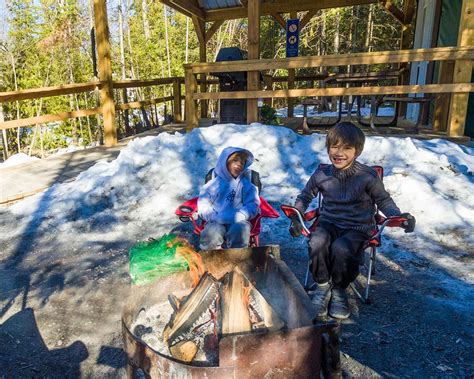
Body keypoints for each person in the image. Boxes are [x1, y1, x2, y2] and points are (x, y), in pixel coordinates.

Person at [290, 122, 415, 320]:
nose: (339, 153)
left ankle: (339, 289)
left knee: (342, 248)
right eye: (335, 146)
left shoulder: (367, 175)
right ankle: (322, 286)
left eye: (347, 147)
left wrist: (398, 216)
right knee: (317, 241)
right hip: (328, 222)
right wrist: (296, 215)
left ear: (357, 151)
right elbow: (305, 196)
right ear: (328, 148)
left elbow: (383, 200)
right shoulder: (322, 173)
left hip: (358, 226)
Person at [198, 146, 260, 250]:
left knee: (241, 229)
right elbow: (203, 204)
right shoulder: (212, 185)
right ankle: (210, 256)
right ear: (225, 162)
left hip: (238, 220)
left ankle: (238, 257)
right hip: (216, 219)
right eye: (235, 160)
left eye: (242, 162)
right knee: (212, 232)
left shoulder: (247, 185)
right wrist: (213, 216)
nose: (239, 164)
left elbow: (253, 204)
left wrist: (242, 214)